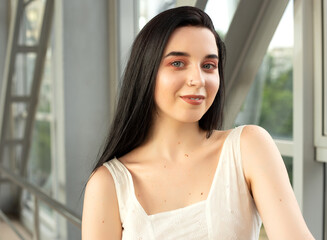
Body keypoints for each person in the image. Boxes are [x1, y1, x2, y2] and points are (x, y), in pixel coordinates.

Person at [82, 6, 314, 240]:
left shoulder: (248, 148)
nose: (198, 79)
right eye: (178, 63)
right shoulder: (108, 184)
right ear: (146, 72)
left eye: (208, 66)